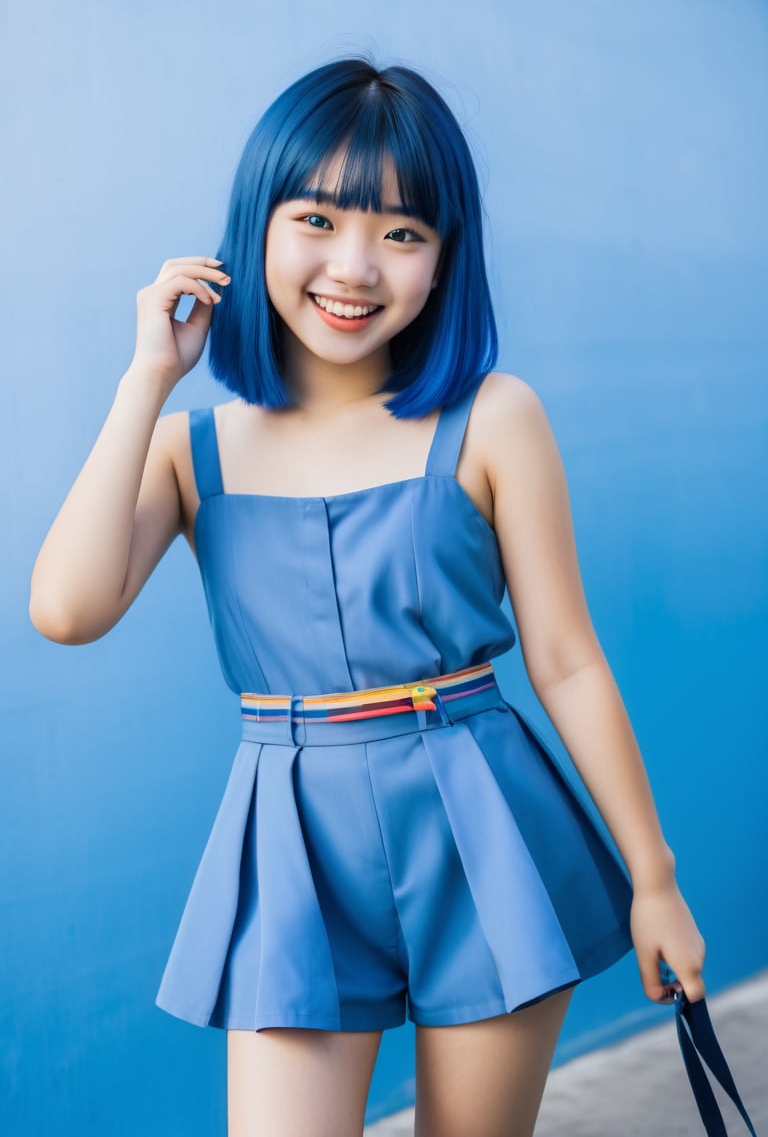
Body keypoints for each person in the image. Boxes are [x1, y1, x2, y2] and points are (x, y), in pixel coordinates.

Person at [30, 58, 705, 1137]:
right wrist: (145, 379)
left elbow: (566, 658)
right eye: (318, 218)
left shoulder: (494, 417)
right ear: (255, 228)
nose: (356, 266)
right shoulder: (188, 449)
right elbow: (66, 610)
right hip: (288, 835)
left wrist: (654, 877)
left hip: (483, 822)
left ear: (445, 259)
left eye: (402, 232)